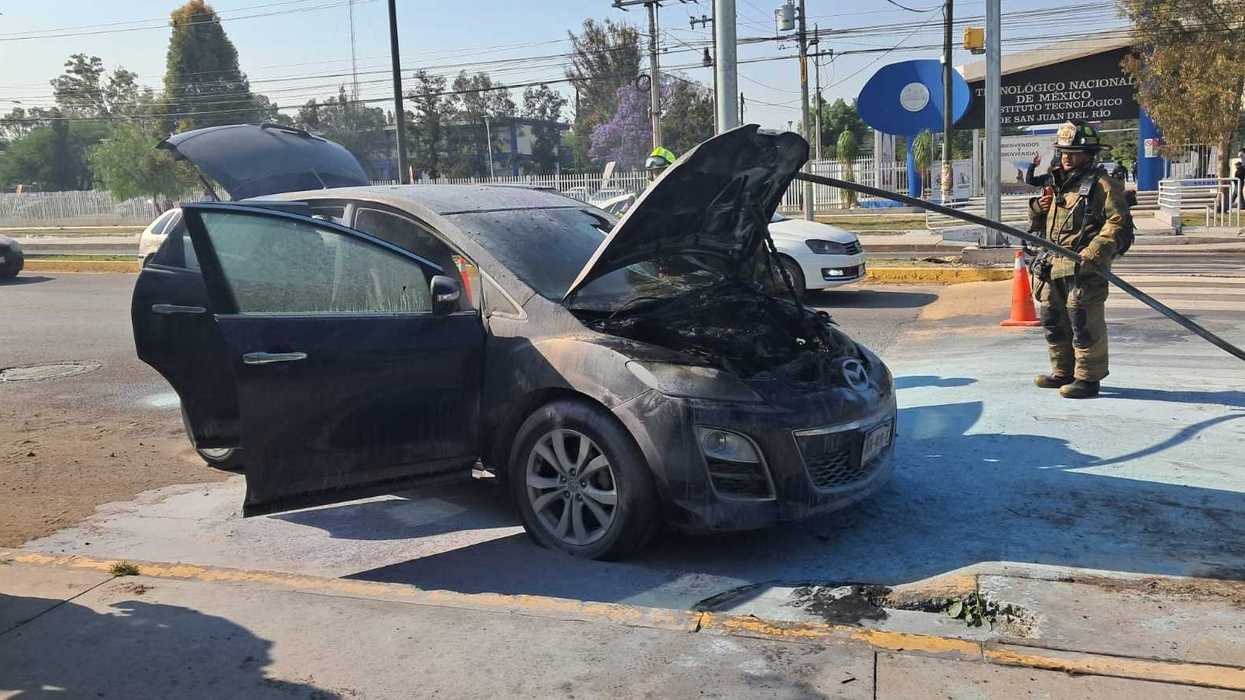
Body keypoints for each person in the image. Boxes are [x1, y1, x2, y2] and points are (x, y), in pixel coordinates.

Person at [1027, 121, 1134, 399]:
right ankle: (1063, 371)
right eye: (1063, 151)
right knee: (1053, 319)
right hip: (1052, 265)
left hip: (1084, 269)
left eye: (1073, 152)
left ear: (1089, 154)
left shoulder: (1103, 184)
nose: (1067, 157)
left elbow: (1117, 223)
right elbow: (1040, 226)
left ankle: (1087, 379)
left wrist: (1094, 251)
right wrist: (1040, 208)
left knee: (1083, 322)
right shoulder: (1057, 184)